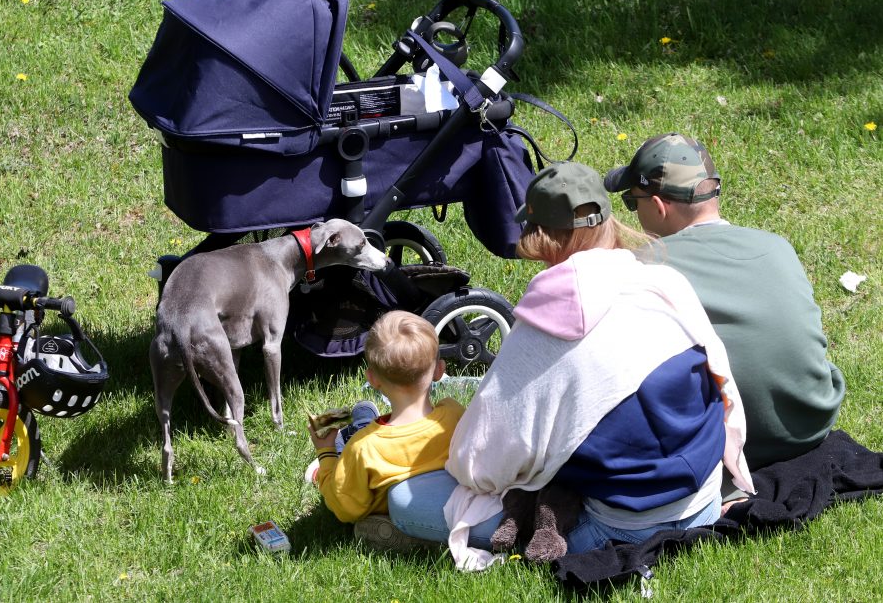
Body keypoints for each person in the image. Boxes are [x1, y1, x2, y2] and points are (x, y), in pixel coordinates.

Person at [388, 161, 755, 570]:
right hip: (703, 498)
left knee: (405, 500)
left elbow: (480, 461)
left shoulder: (547, 326)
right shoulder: (667, 284)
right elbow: (724, 388)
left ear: (541, 237)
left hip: (619, 526)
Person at [603, 133, 846, 485]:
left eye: (631, 201)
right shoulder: (777, 246)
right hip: (812, 421)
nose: (632, 209)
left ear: (658, 206)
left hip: (738, 444)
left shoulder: (644, 267)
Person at [307, 310, 465, 546]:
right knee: (361, 421)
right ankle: (362, 415)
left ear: (372, 378)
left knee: (343, 440)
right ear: (439, 371)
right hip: (438, 502)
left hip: (377, 495)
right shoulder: (453, 413)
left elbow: (344, 508)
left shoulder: (364, 448)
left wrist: (326, 453)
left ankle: (326, 460)